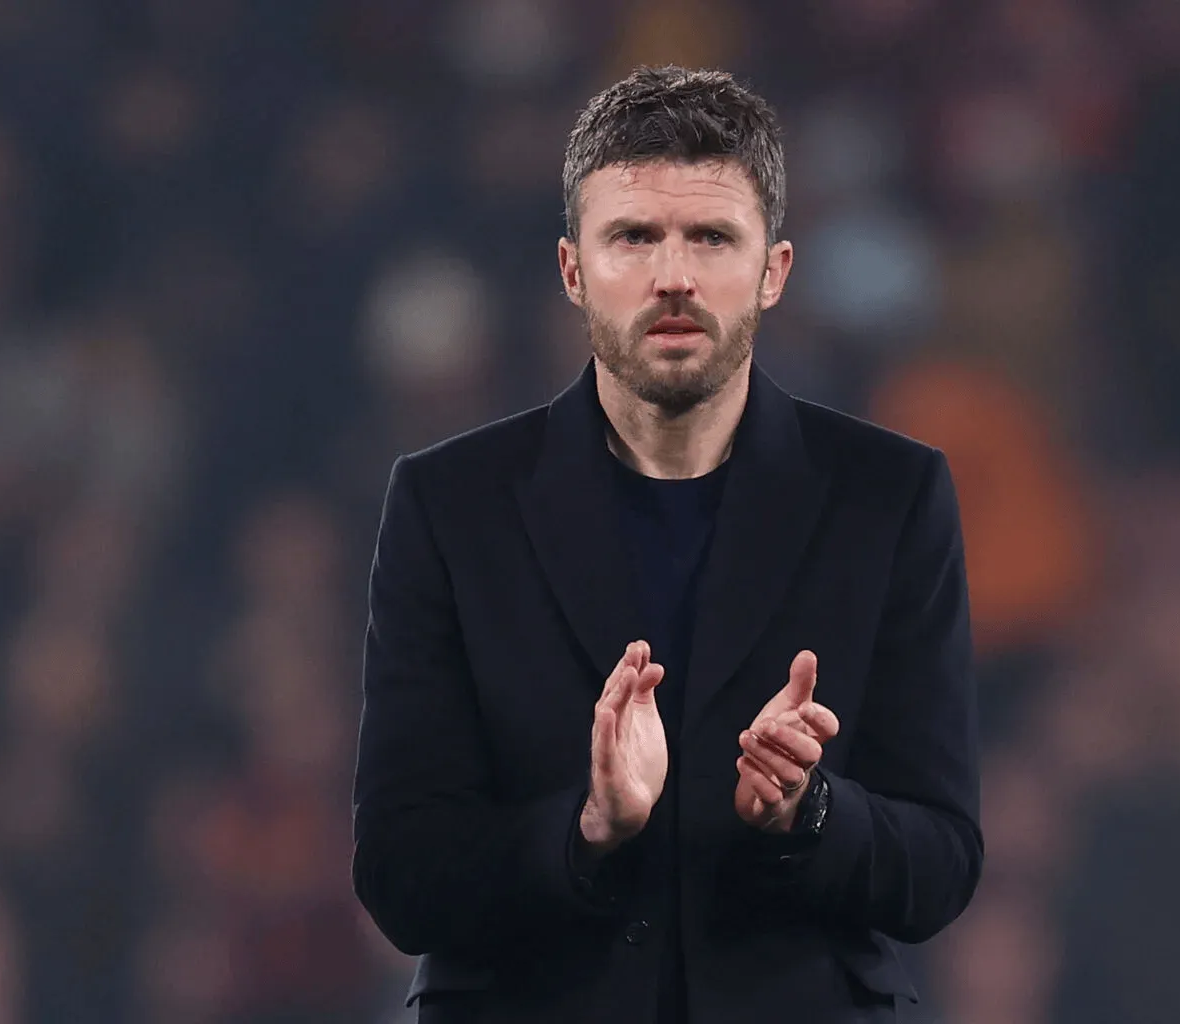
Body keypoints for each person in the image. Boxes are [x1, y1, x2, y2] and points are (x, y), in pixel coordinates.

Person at [351, 66, 982, 1024]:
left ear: (774, 271)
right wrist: (586, 829)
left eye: (712, 237)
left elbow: (941, 862)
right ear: (573, 270)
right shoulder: (448, 505)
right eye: (634, 237)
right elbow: (401, 874)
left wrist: (809, 811)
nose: (673, 276)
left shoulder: (889, 498)